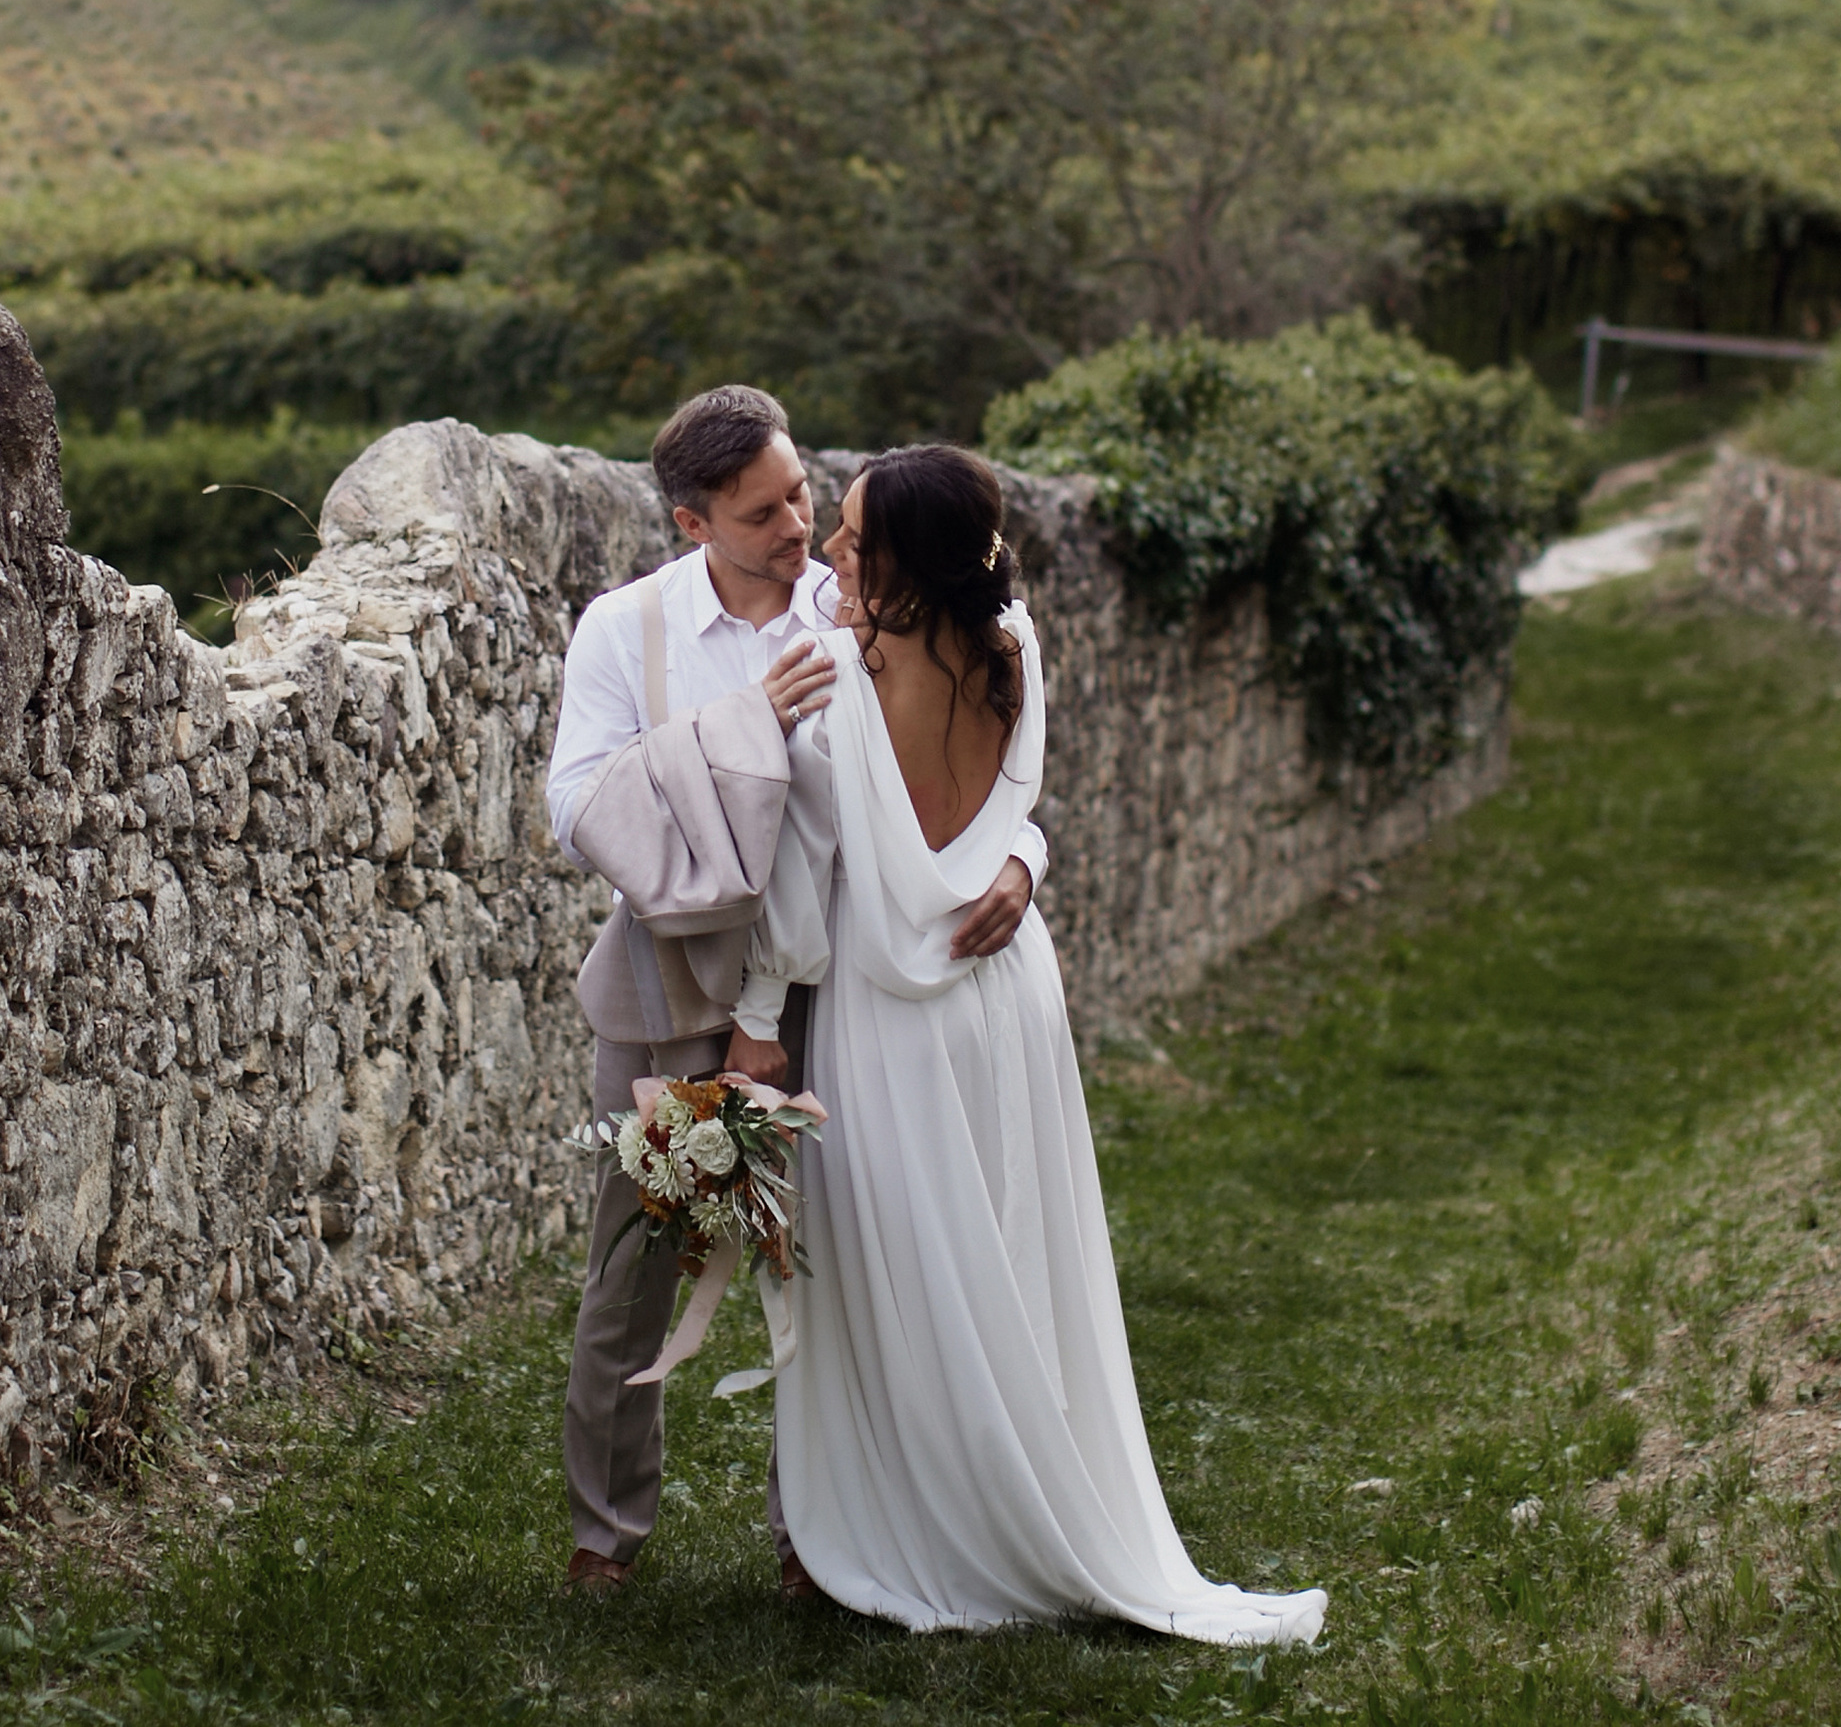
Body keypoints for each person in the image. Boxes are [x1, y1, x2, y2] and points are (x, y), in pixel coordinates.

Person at [772, 444, 1327, 1645]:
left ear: (911, 563)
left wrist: (755, 1019)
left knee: (905, 1270)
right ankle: (1014, 1496)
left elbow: (797, 872)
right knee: (1010, 1254)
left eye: (856, 536)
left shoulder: (838, 675)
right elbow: (1016, 810)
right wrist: (1024, 860)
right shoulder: (1012, 646)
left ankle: (941, 1527)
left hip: (892, 1009)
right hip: (1006, 982)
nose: (831, 550)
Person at [543, 388, 1048, 1597]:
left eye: (801, 495)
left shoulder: (864, 604)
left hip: (828, 989)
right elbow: (575, 808)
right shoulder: (624, 628)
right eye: (761, 512)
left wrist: (1027, 859)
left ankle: (814, 1538)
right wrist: (742, 725)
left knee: (831, 1273)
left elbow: (958, 776)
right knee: (631, 1271)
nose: (797, 529)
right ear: (690, 521)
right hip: (669, 990)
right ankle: (605, 1534)